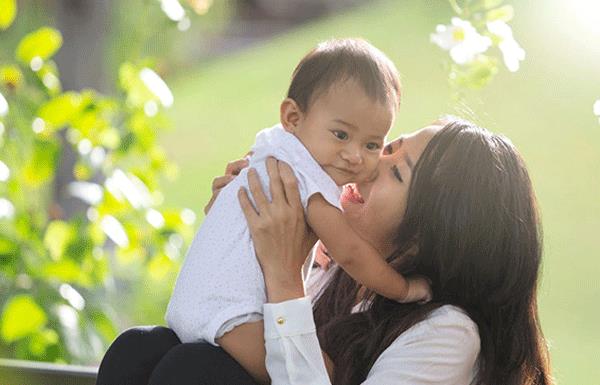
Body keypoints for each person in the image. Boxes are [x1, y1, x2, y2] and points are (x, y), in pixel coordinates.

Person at [96, 118, 552, 385]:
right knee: (140, 348)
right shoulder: (345, 273)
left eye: (397, 173)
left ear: (430, 234)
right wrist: (239, 232)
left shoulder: (448, 333)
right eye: (386, 148)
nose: (370, 163)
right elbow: (243, 335)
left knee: (194, 371)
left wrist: (281, 272)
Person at [165, 38, 431, 383]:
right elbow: (349, 252)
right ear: (292, 116)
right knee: (328, 376)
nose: (354, 156)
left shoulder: (272, 147)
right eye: (341, 135)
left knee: (148, 351)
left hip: (194, 301)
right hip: (230, 313)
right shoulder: (308, 179)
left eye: (371, 145)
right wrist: (403, 289)